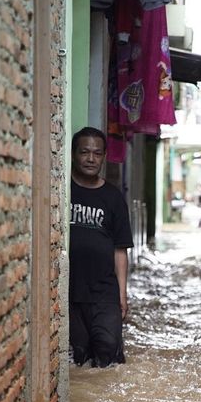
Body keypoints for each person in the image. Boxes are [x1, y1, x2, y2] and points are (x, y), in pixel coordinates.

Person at [69, 127, 134, 367]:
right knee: (80, 357)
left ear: (104, 156)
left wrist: (122, 293)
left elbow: (120, 249)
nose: (90, 158)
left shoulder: (113, 197)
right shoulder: (64, 191)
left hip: (104, 292)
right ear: (74, 154)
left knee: (108, 351)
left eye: (97, 153)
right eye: (84, 152)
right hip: (70, 291)